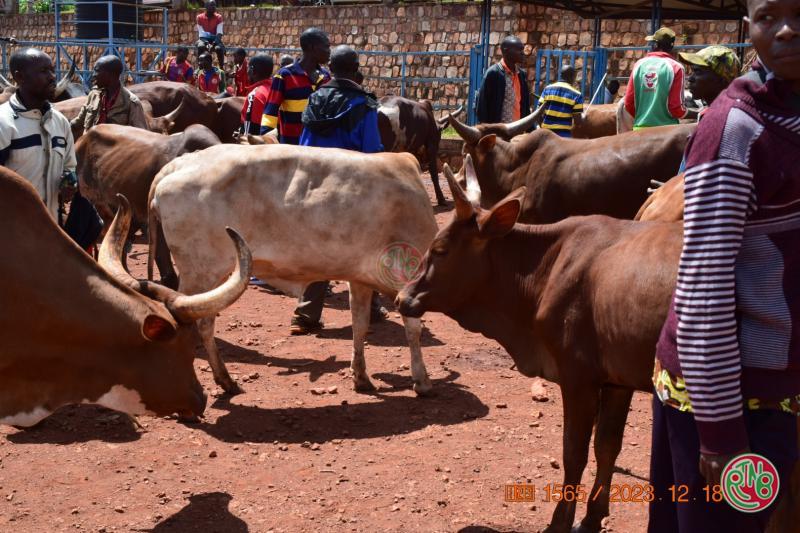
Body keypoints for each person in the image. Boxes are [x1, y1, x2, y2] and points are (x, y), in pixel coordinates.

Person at [648, 0, 800, 530]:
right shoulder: (733, 130)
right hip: (732, 399)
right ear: (747, 28)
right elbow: (701, 291)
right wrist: (721, 433)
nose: (785, 29)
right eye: (767, 17)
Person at [291, 45, 386, 335]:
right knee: (364, 249)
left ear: (330, 68)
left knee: (316, 249)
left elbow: (304, 149)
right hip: (353, 191)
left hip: (318, 188)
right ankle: (369, 307)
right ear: (356, 69)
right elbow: (372, 151)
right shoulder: (364, 104)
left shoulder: (315, 99)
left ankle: (306, 314)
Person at [0, 48, 100, 252]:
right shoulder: (3, 122)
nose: (53, 77)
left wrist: (68, 182)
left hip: (52, 229)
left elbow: (70, 165)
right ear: (19, 77)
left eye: (52, 70)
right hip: (12, 235)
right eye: (44, 71)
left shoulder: (60, 123)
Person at [260, 27, 331, 145]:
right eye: (326, 46)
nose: (329, 51)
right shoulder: (284, 75)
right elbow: (270, 113)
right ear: (312, 47)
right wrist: (268, 143)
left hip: (318, 148)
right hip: (290, 148)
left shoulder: (326, 76)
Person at [624, 27, 687, 129]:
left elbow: (628, 103)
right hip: (666, 134)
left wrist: (643, 117)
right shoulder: (676, 68)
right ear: (671, 46)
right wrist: (695, 113)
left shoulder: (639, 65)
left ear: (655, 45)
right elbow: (676, 109)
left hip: (640, 130)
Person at [71, 55, 149, 137]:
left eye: (97, 71)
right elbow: (79, 121)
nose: (93, 75)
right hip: (90, 147)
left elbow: (141, 136)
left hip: (115, 149)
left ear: (110, 75)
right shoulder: (93, 95)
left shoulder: (131, 103)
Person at [476, 35, 531, 124]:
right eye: (519, 50)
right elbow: (482, 106)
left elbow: (525, 106)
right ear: (506, 51)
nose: (522, 53)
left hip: (518, 132)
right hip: (499, 133)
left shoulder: (521, 75)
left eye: (522, 50)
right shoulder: (493, 74)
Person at [678, 45, 741, 117]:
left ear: (721, 80)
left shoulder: (728, 118)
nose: (690, 79)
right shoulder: (710, 113)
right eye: (693, 71)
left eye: (698, 72)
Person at [535, 65, 585, 137]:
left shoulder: (547, 89)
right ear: (573, 77)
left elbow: (538, 113)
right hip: (563, 138)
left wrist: (542, 127)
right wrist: (582, 118)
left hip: (546, 135)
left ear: (560, 75)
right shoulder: (576, 95)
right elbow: (578, 122)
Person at [240, 53, 274, 136]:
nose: (247, 72)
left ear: (253, 70)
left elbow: (249, 133)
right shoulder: (276, 90)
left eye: (248, 68)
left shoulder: (255, 96)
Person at [196, 0, 225, 67]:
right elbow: (201, 33)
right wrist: (206, 43)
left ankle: (221, 67)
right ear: (206, 6)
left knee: (219, 48)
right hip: (203, 39)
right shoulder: (199, 17)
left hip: (215, 39)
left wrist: (214, 44)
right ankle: (200, 67)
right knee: (201, 46)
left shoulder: (219, 17)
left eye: (214, 5)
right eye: (211, 5)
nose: (214, 7)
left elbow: (219, 33)